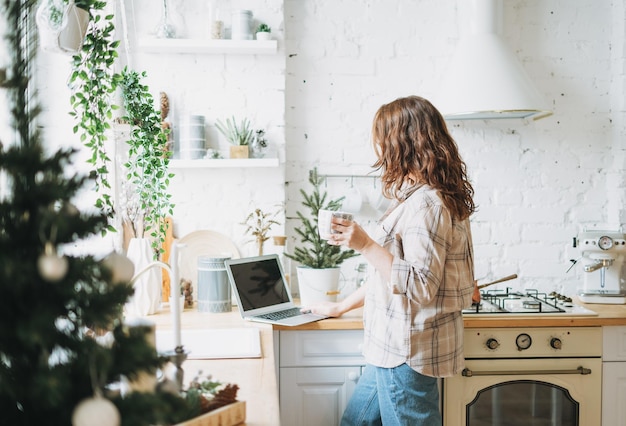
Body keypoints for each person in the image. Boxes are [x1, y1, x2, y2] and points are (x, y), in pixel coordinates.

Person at [305, 96, 475, 425]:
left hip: (405, 351)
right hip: (392, 347)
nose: (379, 150)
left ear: (403, 143)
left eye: (382, 140)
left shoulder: (427, 205)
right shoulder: (424, 196)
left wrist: (365, 243)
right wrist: (340, 307)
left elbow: (421, 286)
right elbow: (390, 276)